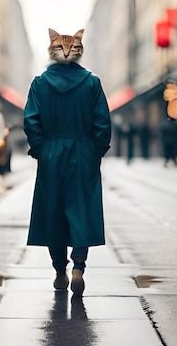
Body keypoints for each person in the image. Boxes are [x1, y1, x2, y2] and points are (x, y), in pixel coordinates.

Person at [24, 28, 111, 297]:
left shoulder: (40, 83)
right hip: (83, 153)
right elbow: (103, 123)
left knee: (54, 212)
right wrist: (95, 150)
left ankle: (59, 270)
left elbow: (31, 120)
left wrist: (41, 148)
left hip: (52, 152)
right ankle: (79, 267)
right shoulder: (91, 83)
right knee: (81, 209)